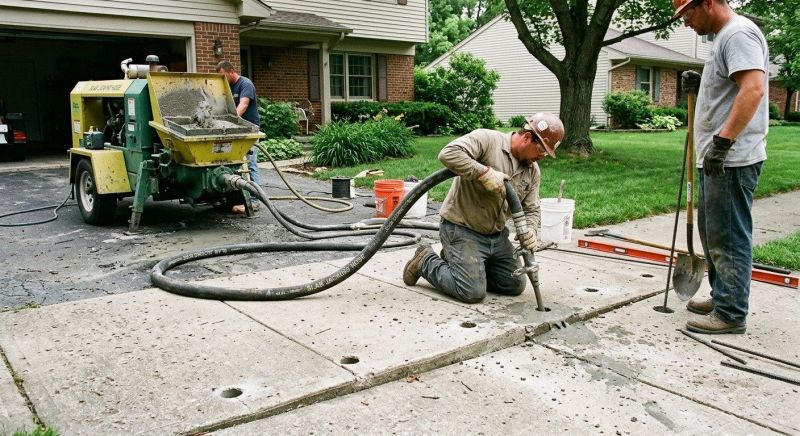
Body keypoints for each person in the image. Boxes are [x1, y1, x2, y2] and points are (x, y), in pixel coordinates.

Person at [673, 0, 769, 334]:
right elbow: (730, 90)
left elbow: (753, 89)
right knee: (713, 232)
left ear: (709, 2)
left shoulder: (738, 33)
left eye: (687, 12)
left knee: (727, 236)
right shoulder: (724, 37)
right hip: (717, 158)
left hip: (731, 158)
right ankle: (722, 296)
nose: (685, 21)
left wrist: (723, 142)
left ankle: (730, 313)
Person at [402, 113, 564, 303]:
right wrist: (483, 173)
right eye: (542, 151)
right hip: (462, 229)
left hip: (496, 235)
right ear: (527, 137)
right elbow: (448, 153)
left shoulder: (532, 170)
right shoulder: (488, 140)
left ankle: (461, 265)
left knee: (514, 284)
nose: (541, 157)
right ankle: (425, 261)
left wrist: (531, 230)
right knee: (472, 292)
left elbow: (531, 209)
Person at [216, 60, 261, 213]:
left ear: (231, 71)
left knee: (250, 164)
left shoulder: (245, 84)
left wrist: (229, 122)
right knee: (235, 166)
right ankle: (239, 198)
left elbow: (243, 105)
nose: (222, 79)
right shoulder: (227, 86)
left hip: (249, 131)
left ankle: (254, 201)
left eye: (223, 75)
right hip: (236, 132)